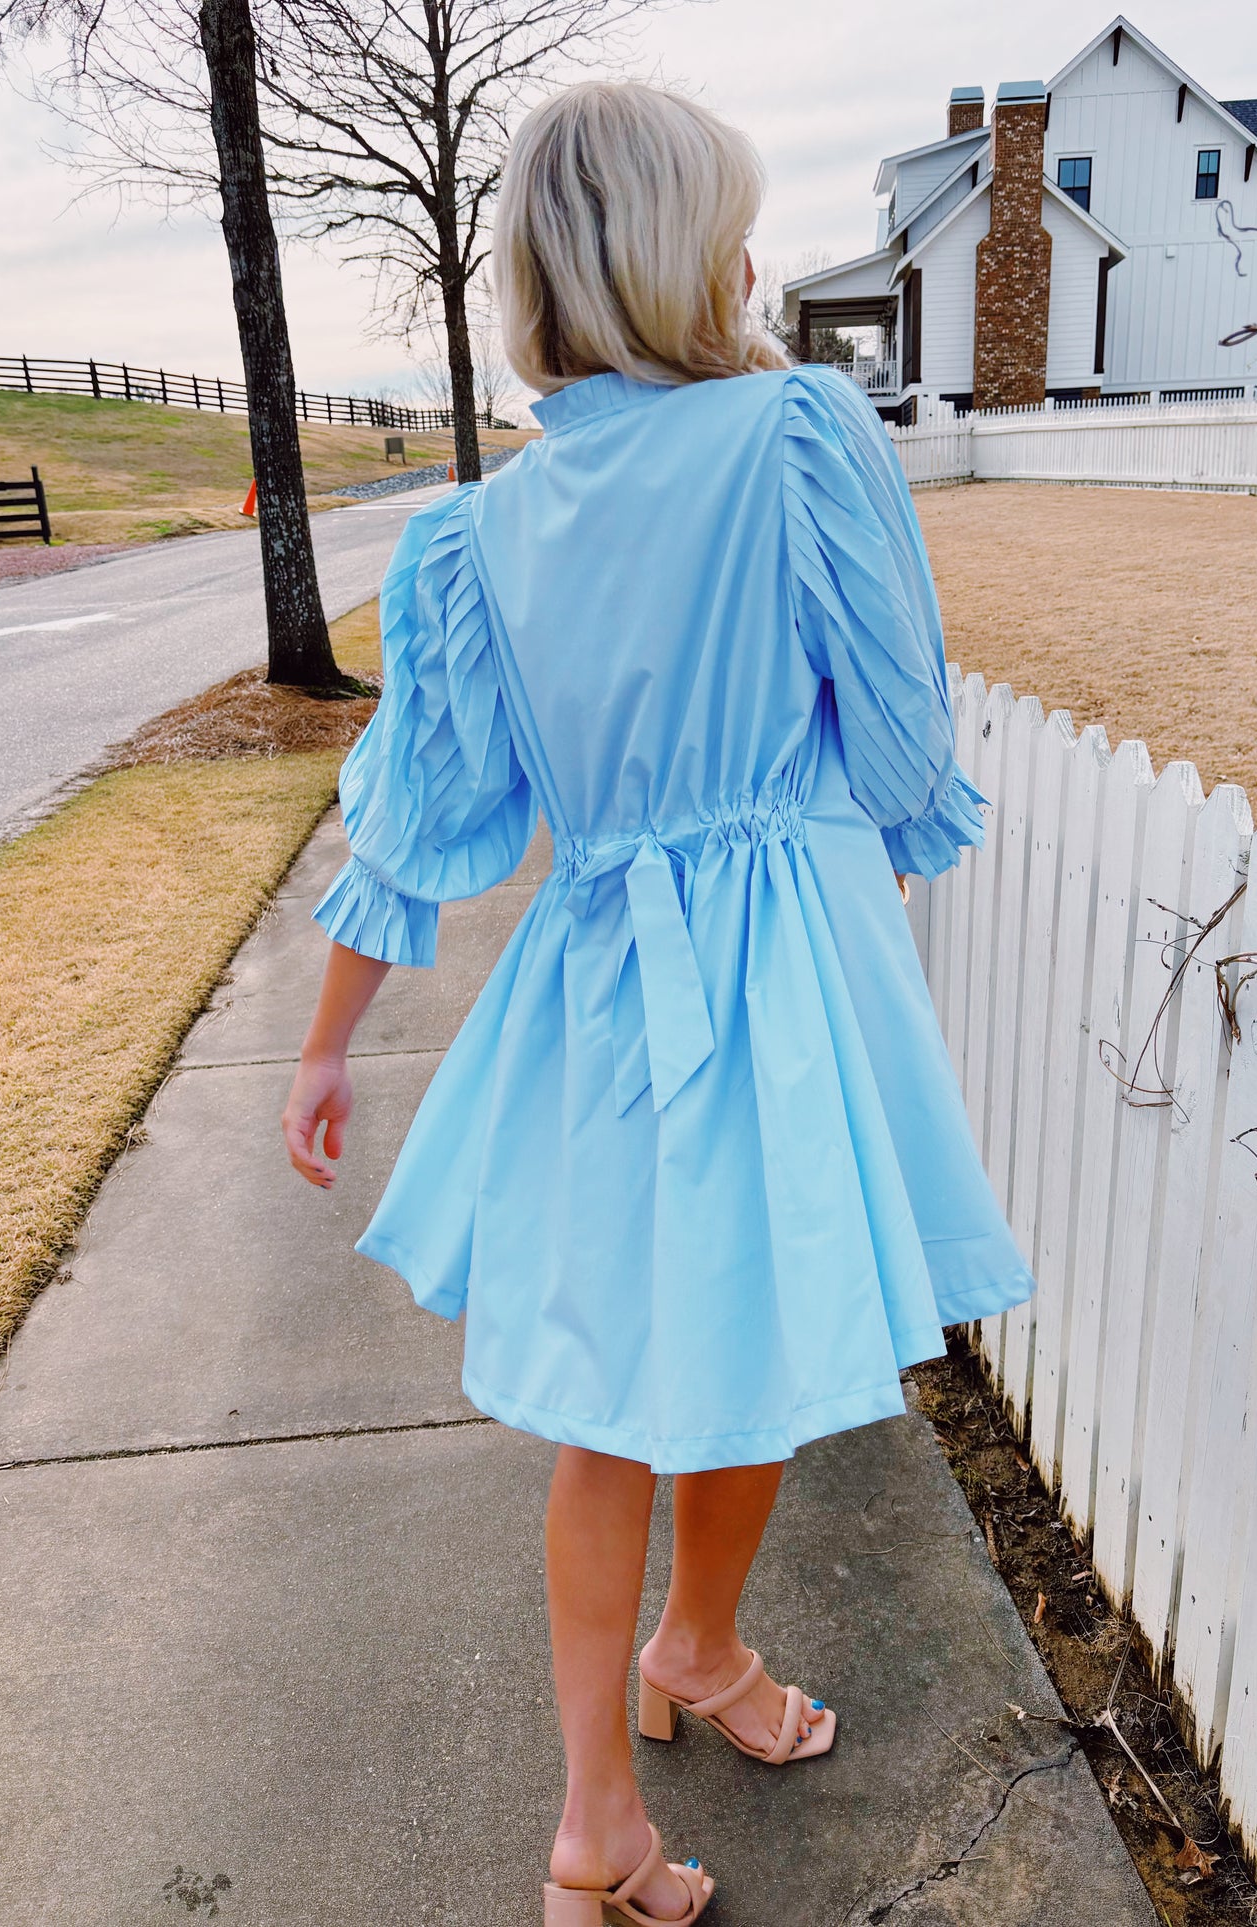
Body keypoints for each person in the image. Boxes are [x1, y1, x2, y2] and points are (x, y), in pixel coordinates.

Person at [282, 79, 1034, 1927]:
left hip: (597, 986)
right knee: (754, 1332)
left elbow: (426, 810)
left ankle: (608, 1793)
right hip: (780, 961)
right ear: (692, 250)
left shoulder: (472, 537)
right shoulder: (796, 432)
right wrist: (862, 846)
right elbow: (902, 723)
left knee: (613, 1395)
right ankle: (686, 1659)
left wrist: (325, 1039)